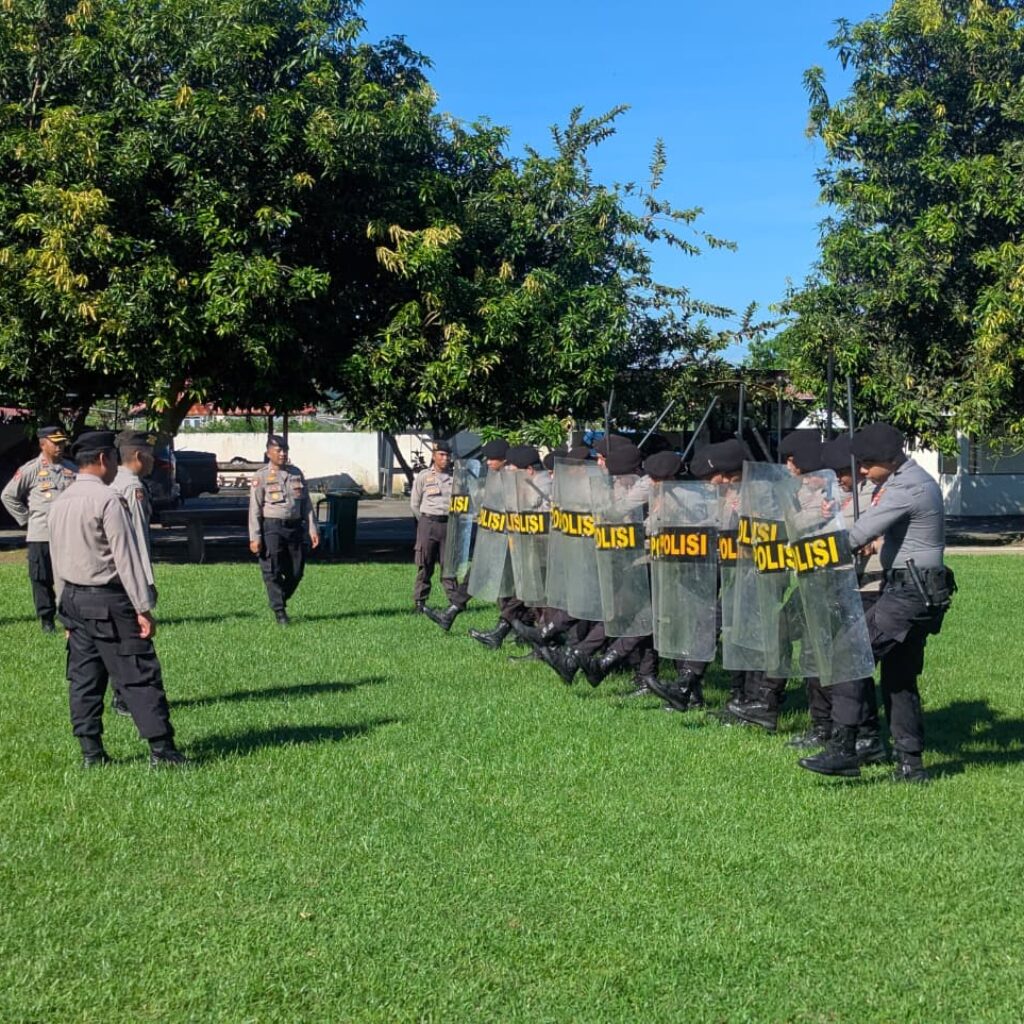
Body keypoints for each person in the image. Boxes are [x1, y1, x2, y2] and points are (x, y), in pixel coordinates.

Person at [801, 423, 954, 783]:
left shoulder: (906, 487)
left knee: (848, 654)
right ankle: (911, 766)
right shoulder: (910, 481)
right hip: (917, 591)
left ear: (890, 458)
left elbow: (856, 535)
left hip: (908, 593)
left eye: (868, 464)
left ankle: (844, 749)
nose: (864, 471)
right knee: (899, 679)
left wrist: (803, 554)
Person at [48, 431, 185, 768]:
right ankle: (162, 750)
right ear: (103, 459)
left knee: (84, 679)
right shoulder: (108, 500)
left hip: (73, 599)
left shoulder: (60, 501)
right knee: (138, 672)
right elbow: (127, 558)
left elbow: (56, 559)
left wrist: (63, 611)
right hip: (108, 600)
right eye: (112, 458)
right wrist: (142, 608)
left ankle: (91, 752)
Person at [1, 425, 77, 632]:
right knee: (41, 578)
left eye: (62, 442)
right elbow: (8, 495)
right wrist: (27, 520)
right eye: (55, 443)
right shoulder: (31, 469)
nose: (60, 446)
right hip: (41, 533)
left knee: (70, 575)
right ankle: (47, 619)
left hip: (68, 535)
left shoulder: (72, 469)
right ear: (43, 444)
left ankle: (70, 615)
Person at [106, 430, 159, 716]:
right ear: (139, 456)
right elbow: (138, 540)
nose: (154, 460)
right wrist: (146, 583)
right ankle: (126, 696)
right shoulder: (132, 487)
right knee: (133, 637)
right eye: (151, 455)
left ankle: (121, 693)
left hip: (108, 574)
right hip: (129, 576)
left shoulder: (110, 480)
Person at [248, 435, 320, 625]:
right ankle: (280, 612)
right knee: (272, 569)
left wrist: (313, 528)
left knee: (296, 571)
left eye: (285, 450)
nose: (283, 454)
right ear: (268, 453)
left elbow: (306, 504)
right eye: (278, 450)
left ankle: (279, 598)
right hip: (272, 527)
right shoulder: (261, 476)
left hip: (294, 527)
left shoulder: (296, 473)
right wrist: (255, 537)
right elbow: (255, 509)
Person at [411, 440, 468, 631]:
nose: (445, 458)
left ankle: (455, 602)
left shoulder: (456, 478)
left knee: (449, 565)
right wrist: (425, 521)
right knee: (424, 564)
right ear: (434, 456)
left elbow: (463, 502)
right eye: (441, 455)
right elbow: (415, 503)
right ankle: (420, 602)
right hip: (428, 523)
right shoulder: (424, 476)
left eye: (448, 455)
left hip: (449, 524)